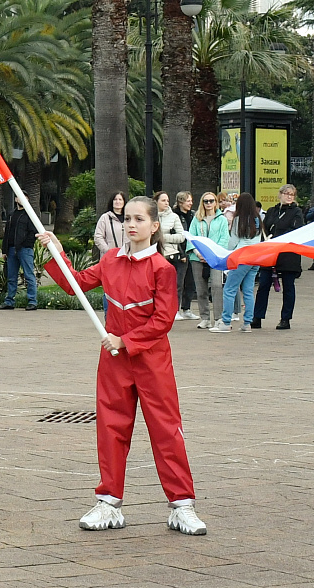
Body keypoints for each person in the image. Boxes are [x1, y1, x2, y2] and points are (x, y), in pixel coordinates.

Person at [37, 197, 205, 536]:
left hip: (151, 360)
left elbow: (163, 319)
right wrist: (56, 251)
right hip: (114, 362)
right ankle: (109, 502)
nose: (131, 224)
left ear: (154, 226)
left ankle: (182, 505)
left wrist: (126, 341)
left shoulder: (163, 269)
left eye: (139, 219)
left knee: (166, 430)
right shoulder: (111, 259)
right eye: (127, 218)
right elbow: (76, 285)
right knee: (111, 428)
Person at [253, 184, 305, 330]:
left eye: (292, 194)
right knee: (263, 284)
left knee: (288, 286)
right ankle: (257, 316)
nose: (289, 196)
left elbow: (295, 229)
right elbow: (265, 227)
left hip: (288, 254)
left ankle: (285, 318)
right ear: (280, 194)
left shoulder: (296, 212)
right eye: (286, 193)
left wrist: (276, 238)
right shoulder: (272, 211)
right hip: (270, 253)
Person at [216, 193, 259, 333]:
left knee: (229, 289)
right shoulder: (258, 218)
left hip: (242, 257)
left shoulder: (238, 219)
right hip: (256, 257)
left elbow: (233, 240)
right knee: (248, 291)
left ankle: (226, 322)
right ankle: (247, 323)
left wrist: (224, 253)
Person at [184, 192, 223, 327]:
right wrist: (197, 252)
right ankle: (205, 318)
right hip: (197, 257)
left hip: (215, 257)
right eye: (205, 201)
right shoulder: (197, 218)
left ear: (215, 202)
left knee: (217, 286)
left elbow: (224, 239)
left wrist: (212, 253)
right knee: (201, 289)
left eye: (211, 201)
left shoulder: (221, 219)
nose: (208, 204)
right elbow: (191, 237)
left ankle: (218, 317)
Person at [0, 196, 40, 311]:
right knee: (11, 277)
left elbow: (34, 232)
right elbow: (7, 233)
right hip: (11, 250)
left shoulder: (30, 215)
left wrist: (26, 244)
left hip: (25, 250)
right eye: (18, 196)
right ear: (16, 199)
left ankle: (32, 301)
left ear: (28, 199)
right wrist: (5, 250)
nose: (21, 199)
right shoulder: (12, 214)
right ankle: (9, 301)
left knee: (29, 275)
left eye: (24, 197)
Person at [156, 193, 186, 321]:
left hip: (172, 255)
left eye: (168, 200)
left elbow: (181, 236)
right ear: (156, 201)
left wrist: (163, 237)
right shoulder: (150, 216)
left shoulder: (174, 217)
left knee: (175, 285)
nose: (166, 203)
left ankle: (175, 310)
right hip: (156, 254)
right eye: (163, 200)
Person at [92, 191, 127, 260]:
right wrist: (108, 251)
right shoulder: (105, 218)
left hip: (126, 257)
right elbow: (98, 237)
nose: (117, 202)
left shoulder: (129, 218)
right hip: (109, 258)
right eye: (115, 199)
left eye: (120, 199)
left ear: (124, 202)